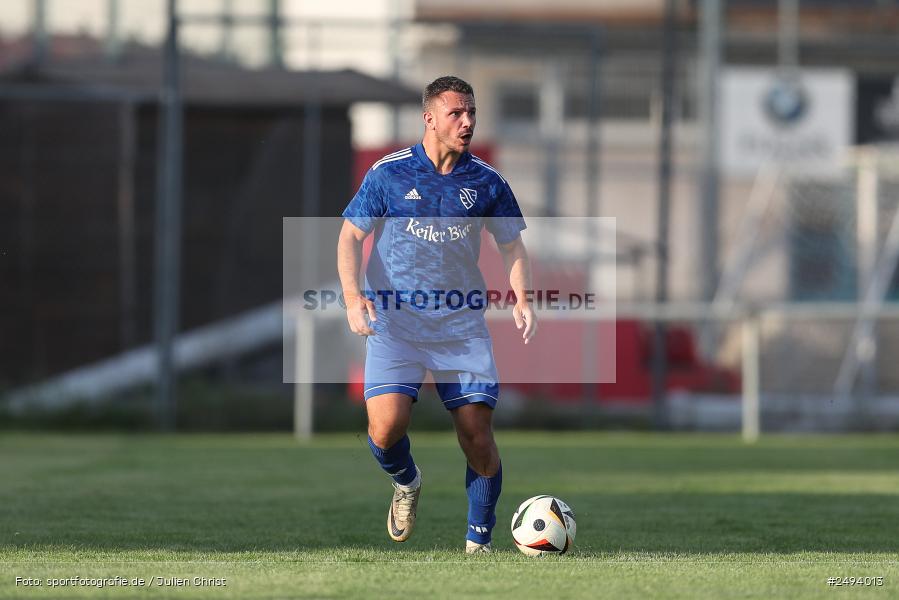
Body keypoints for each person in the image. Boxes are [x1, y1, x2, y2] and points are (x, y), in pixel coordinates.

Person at [337, 75, 536, 554]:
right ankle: (406, 481)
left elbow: (512, 245)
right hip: (396, 323)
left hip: (459, 325)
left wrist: (523, 298)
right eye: (456, 113)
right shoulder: (389, 174)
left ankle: (479, 542)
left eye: (472, 113)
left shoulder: (487, 182)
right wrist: (352, 298)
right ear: (429, 118)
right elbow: (349, 236)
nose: (467, 122)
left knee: (476, 434)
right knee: (385, 429)